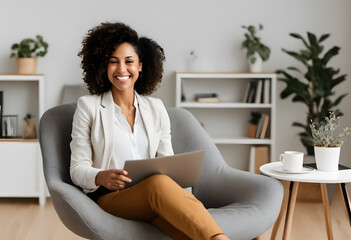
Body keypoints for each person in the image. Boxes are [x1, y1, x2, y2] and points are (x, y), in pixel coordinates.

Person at [70, 22, 230, 240]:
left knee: (187, 232)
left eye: (129, 62)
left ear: (141, 66)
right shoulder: (88, 106)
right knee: (158, 184)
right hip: (110, 198)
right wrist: (100, 176)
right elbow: (77, 168)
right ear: (102, 66)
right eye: (113, 62)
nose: (121, 69)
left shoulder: (156, 108)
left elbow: (167, 162)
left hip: (153, 197)